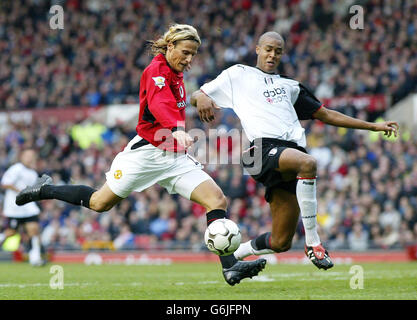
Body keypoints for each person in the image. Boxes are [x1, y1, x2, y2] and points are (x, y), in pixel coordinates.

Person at [15, 24, 266, 285]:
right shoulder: (156, 71)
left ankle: (230, 267)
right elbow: (159, 105)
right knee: (99, 203)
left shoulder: (176, 73)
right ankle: (45, 190)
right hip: (146, 153)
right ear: (170, 47)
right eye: (185, 52)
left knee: (216, 199)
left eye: (193, 54)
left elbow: (176, 102)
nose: (190, 59)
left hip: (174, 156)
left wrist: (199, 97)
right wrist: (174, 129)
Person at [191, 31, 399, 270]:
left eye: (278, 51)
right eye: (268, 49)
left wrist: (373, 126)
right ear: (257, 49)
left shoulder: (290, 86)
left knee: (280, 242)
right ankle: (313, 243)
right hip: (261, 150)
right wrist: (201, 97)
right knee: (308, 163)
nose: (272, 54)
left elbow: (327, 114)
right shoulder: (238, 74)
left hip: (289, 158)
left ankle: (233, 256)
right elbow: (199, 94)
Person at [0, 149, 45, 266]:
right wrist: (21, 191)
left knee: (34, 230)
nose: (30, 158)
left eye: (32, 156)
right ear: (22, 157)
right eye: (27, 155)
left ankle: (35, 258)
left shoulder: (33, 173)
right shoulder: (16, 169)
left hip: (28, 207)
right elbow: (5, 183)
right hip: (15, 207)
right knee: (11, 232)